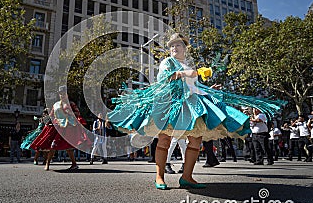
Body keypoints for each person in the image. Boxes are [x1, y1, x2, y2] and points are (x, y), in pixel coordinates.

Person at [108, 33, 284, 190]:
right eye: (171, 46)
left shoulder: (187, 64)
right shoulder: (168, 62)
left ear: (185, 48)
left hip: (191, 104)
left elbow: (193, 86)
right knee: (164, 139)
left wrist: (207, 87)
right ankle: (159, 176)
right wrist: (190, 73)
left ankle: (187, 177)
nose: (174, 48)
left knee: (196, 140)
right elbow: (165, 79)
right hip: (170, 103)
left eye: (177, 45)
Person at [30, 85, 90, 171]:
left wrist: (70, 113)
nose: (62, 95)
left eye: (64, 93)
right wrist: (47, 121)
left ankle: (74, 164)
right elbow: (51, 115)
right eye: (61, 93)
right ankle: (47, 163)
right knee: (53, 145)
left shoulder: (71, 104)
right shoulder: (56, 105)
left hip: (68, 127)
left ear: (67, 94)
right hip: (57, 128)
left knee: (68, 147)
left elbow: (77, 113)